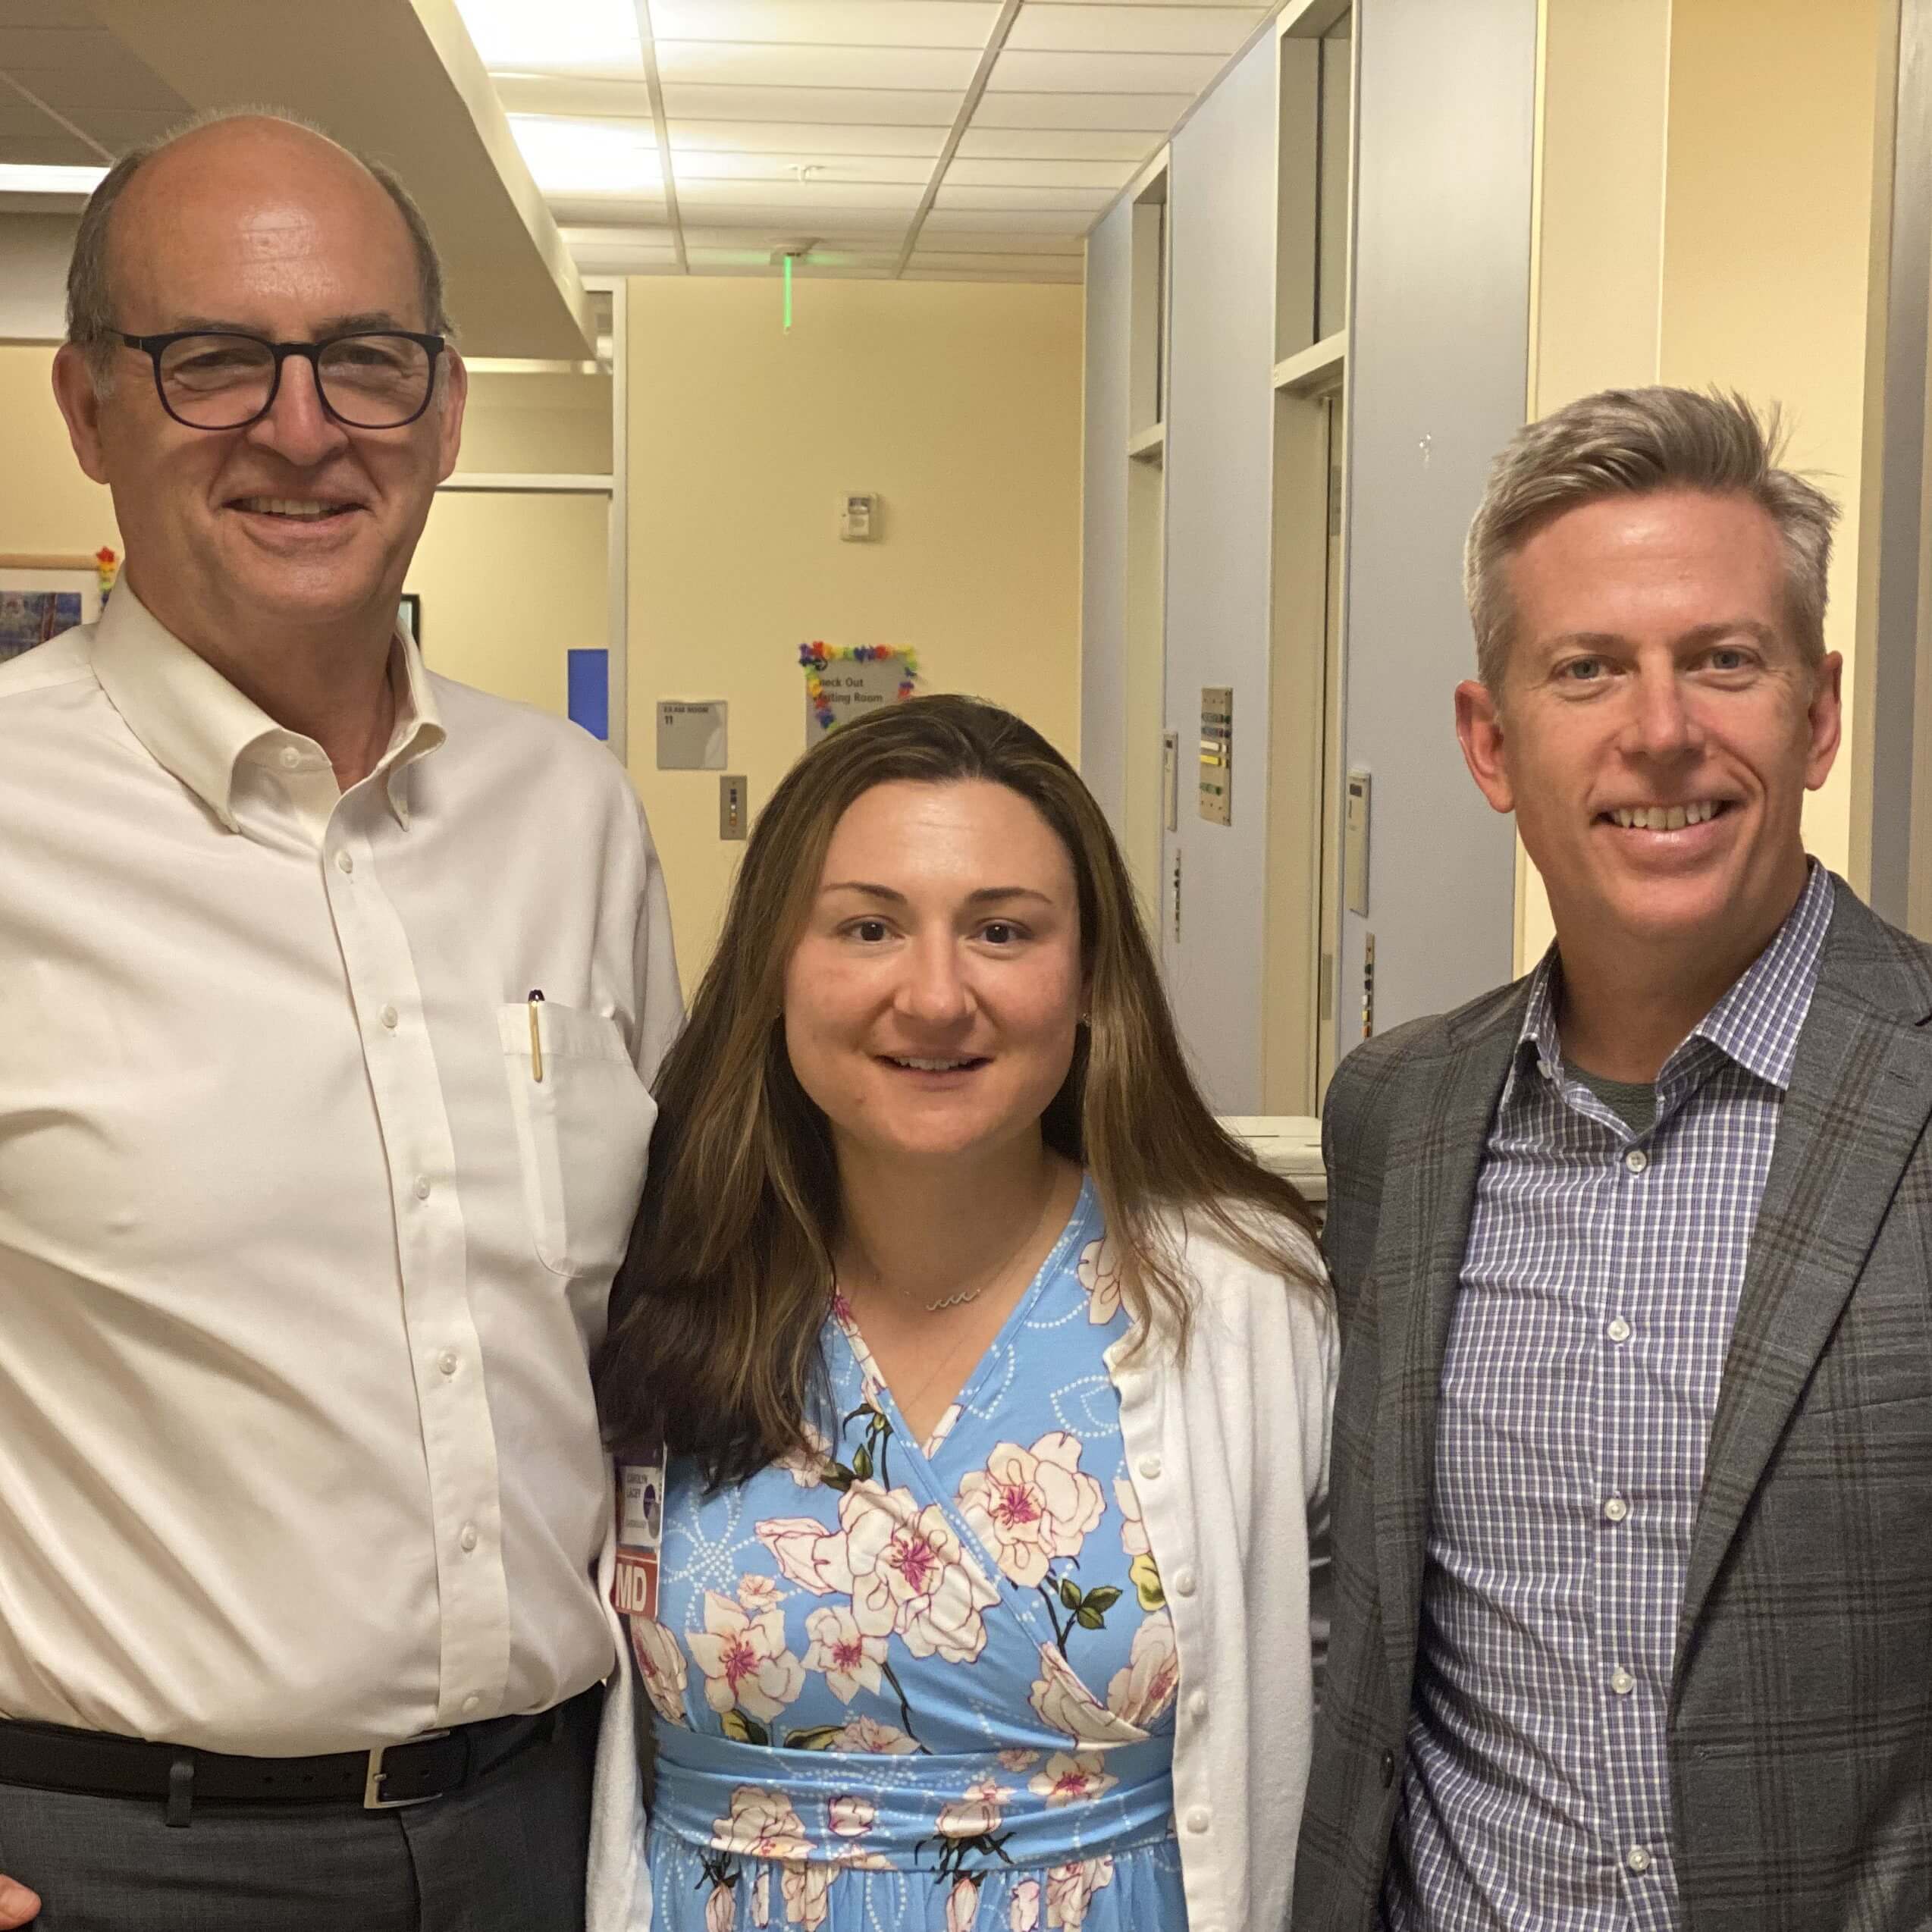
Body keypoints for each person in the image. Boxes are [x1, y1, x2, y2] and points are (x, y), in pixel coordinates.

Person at [0, 111, 679, 1930]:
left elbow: (665, 1307)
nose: (302, 430)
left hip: (550, 1829)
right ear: (87, 408)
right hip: (118, 1858)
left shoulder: (572, 814)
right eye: (215, 360)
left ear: (444, 412)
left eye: (364, 363)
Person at [1295, 387, 1932, 1931]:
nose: (1659, 727)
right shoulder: (1393, 1115)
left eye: (1722, 658)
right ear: (1489, 738)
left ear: (1818, 708)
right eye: (1585, 669)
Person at [590, 695, 1336, 1932]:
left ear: (1091, 978)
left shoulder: (1240, 1304)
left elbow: (1335, 1713)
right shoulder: (656, 1276)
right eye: (869, 927)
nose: (935, 997)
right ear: (778, 966)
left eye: (1000, 931)